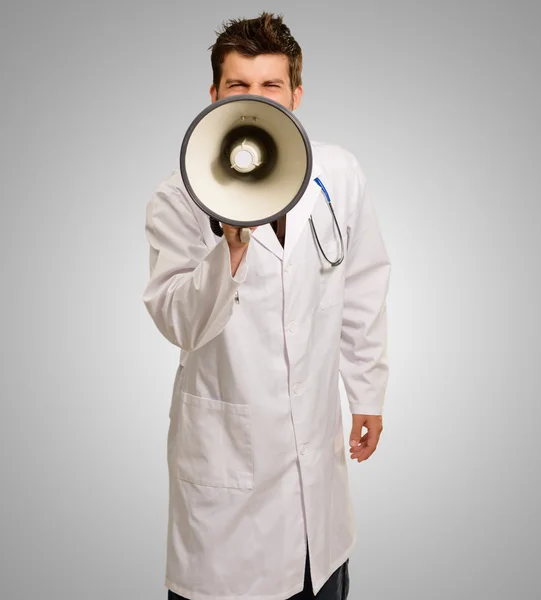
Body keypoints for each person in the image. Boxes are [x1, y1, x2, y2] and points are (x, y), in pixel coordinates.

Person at [142, 12, 391, 600]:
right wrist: (229, 244)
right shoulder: (177, 199)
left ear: (296, 95)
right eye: (238, 86)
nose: (256, 100)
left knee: (320, 577)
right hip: (227, 492)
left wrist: (368, 394)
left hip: (316, 481)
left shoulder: (339, 173)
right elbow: (178, 320)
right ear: (213, 95)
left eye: (271, 86)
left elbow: (363, 285)